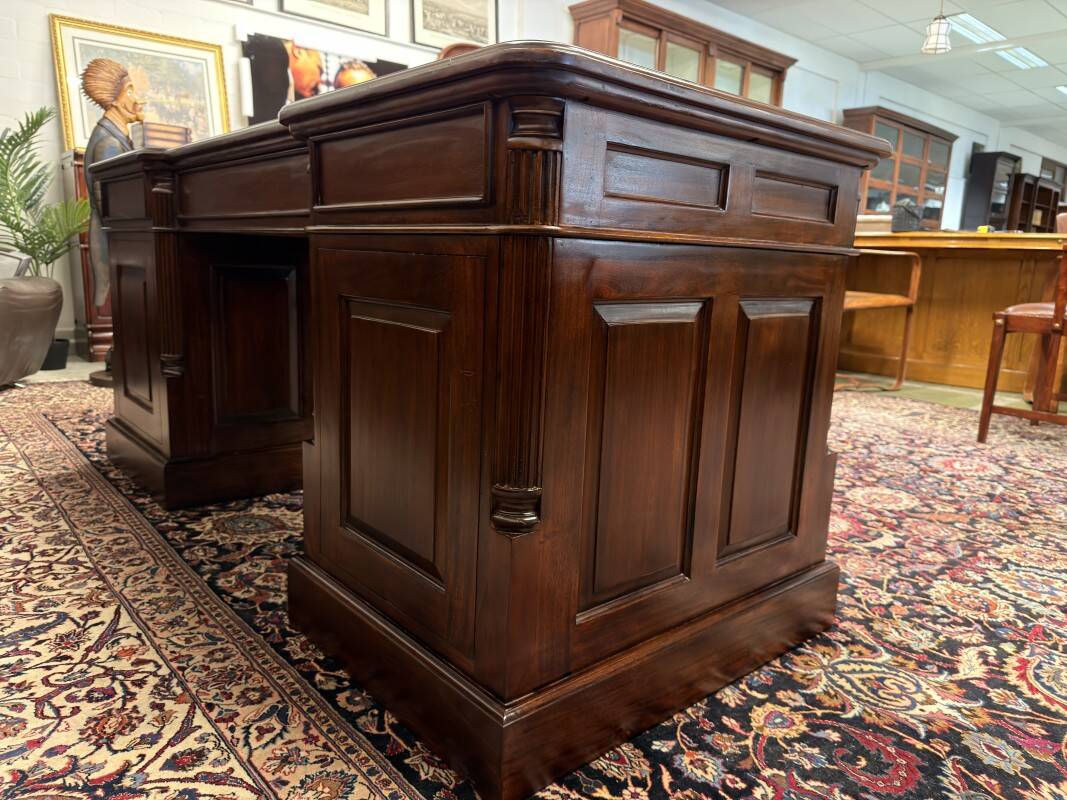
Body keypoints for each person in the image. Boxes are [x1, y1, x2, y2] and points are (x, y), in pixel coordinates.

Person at [80, 58, 144, 308]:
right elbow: (113, 209)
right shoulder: (109, 143)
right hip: (114, 247)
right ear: (115, 100)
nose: (138, 99)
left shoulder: (115, 136)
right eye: (130, 91)